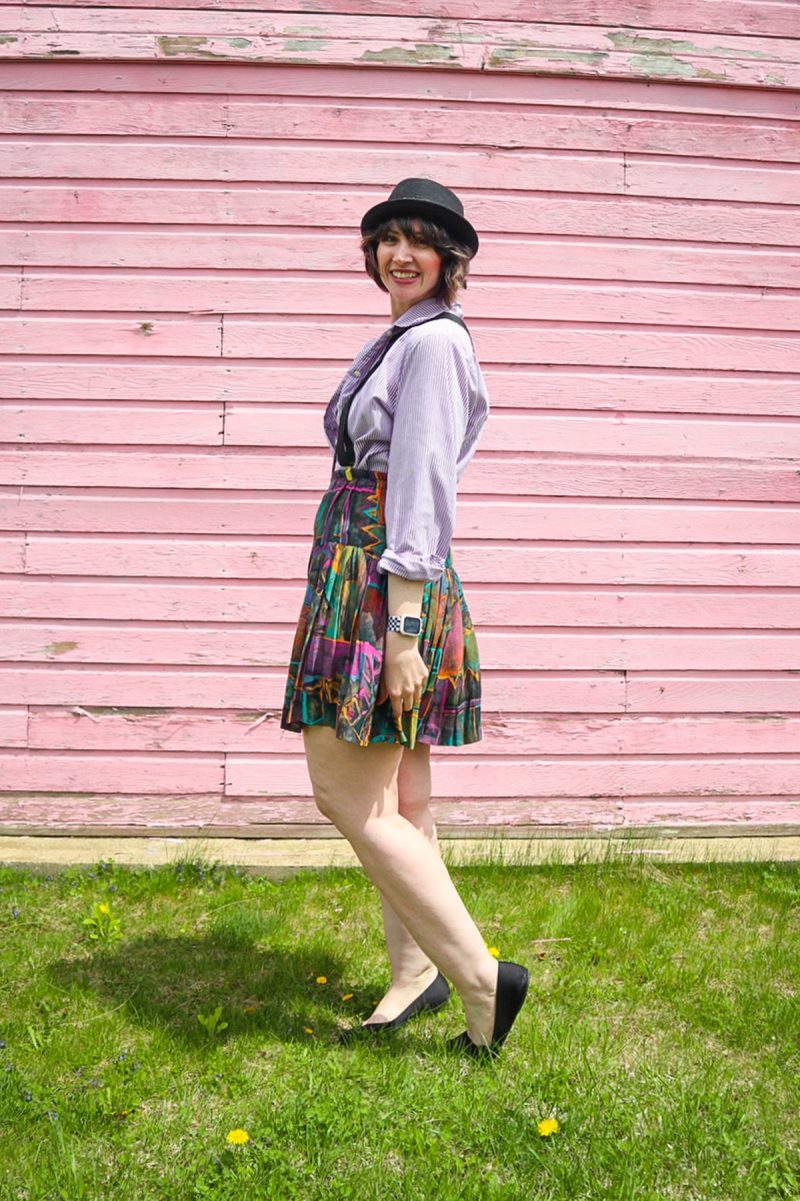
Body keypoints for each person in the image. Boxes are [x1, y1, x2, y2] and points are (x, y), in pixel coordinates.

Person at [280, 178, 529, 1058]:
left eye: (420, 241)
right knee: (401, 796)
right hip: (367, 572)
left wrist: (403, 631)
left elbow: (423, 488)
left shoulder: (431, 349)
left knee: (345, 794)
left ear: (451, 260)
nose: (399, 253)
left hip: (387, 585)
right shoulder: (406, 338)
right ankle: (413, 972)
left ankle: (479, 978)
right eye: (387, 238)